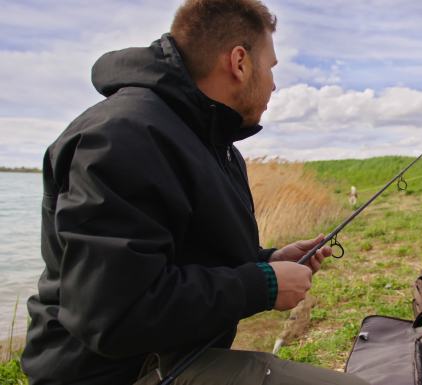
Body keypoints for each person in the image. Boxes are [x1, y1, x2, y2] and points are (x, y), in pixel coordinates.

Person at [21, 1, 369, 384]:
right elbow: (114, 315)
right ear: (239, 62)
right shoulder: (122, 137)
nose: (274, 83)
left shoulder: (212, 142)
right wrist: (262, 285)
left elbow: (181, 257)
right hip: (112, 373)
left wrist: (266, 260)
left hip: (177, 353)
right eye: (271, 68)